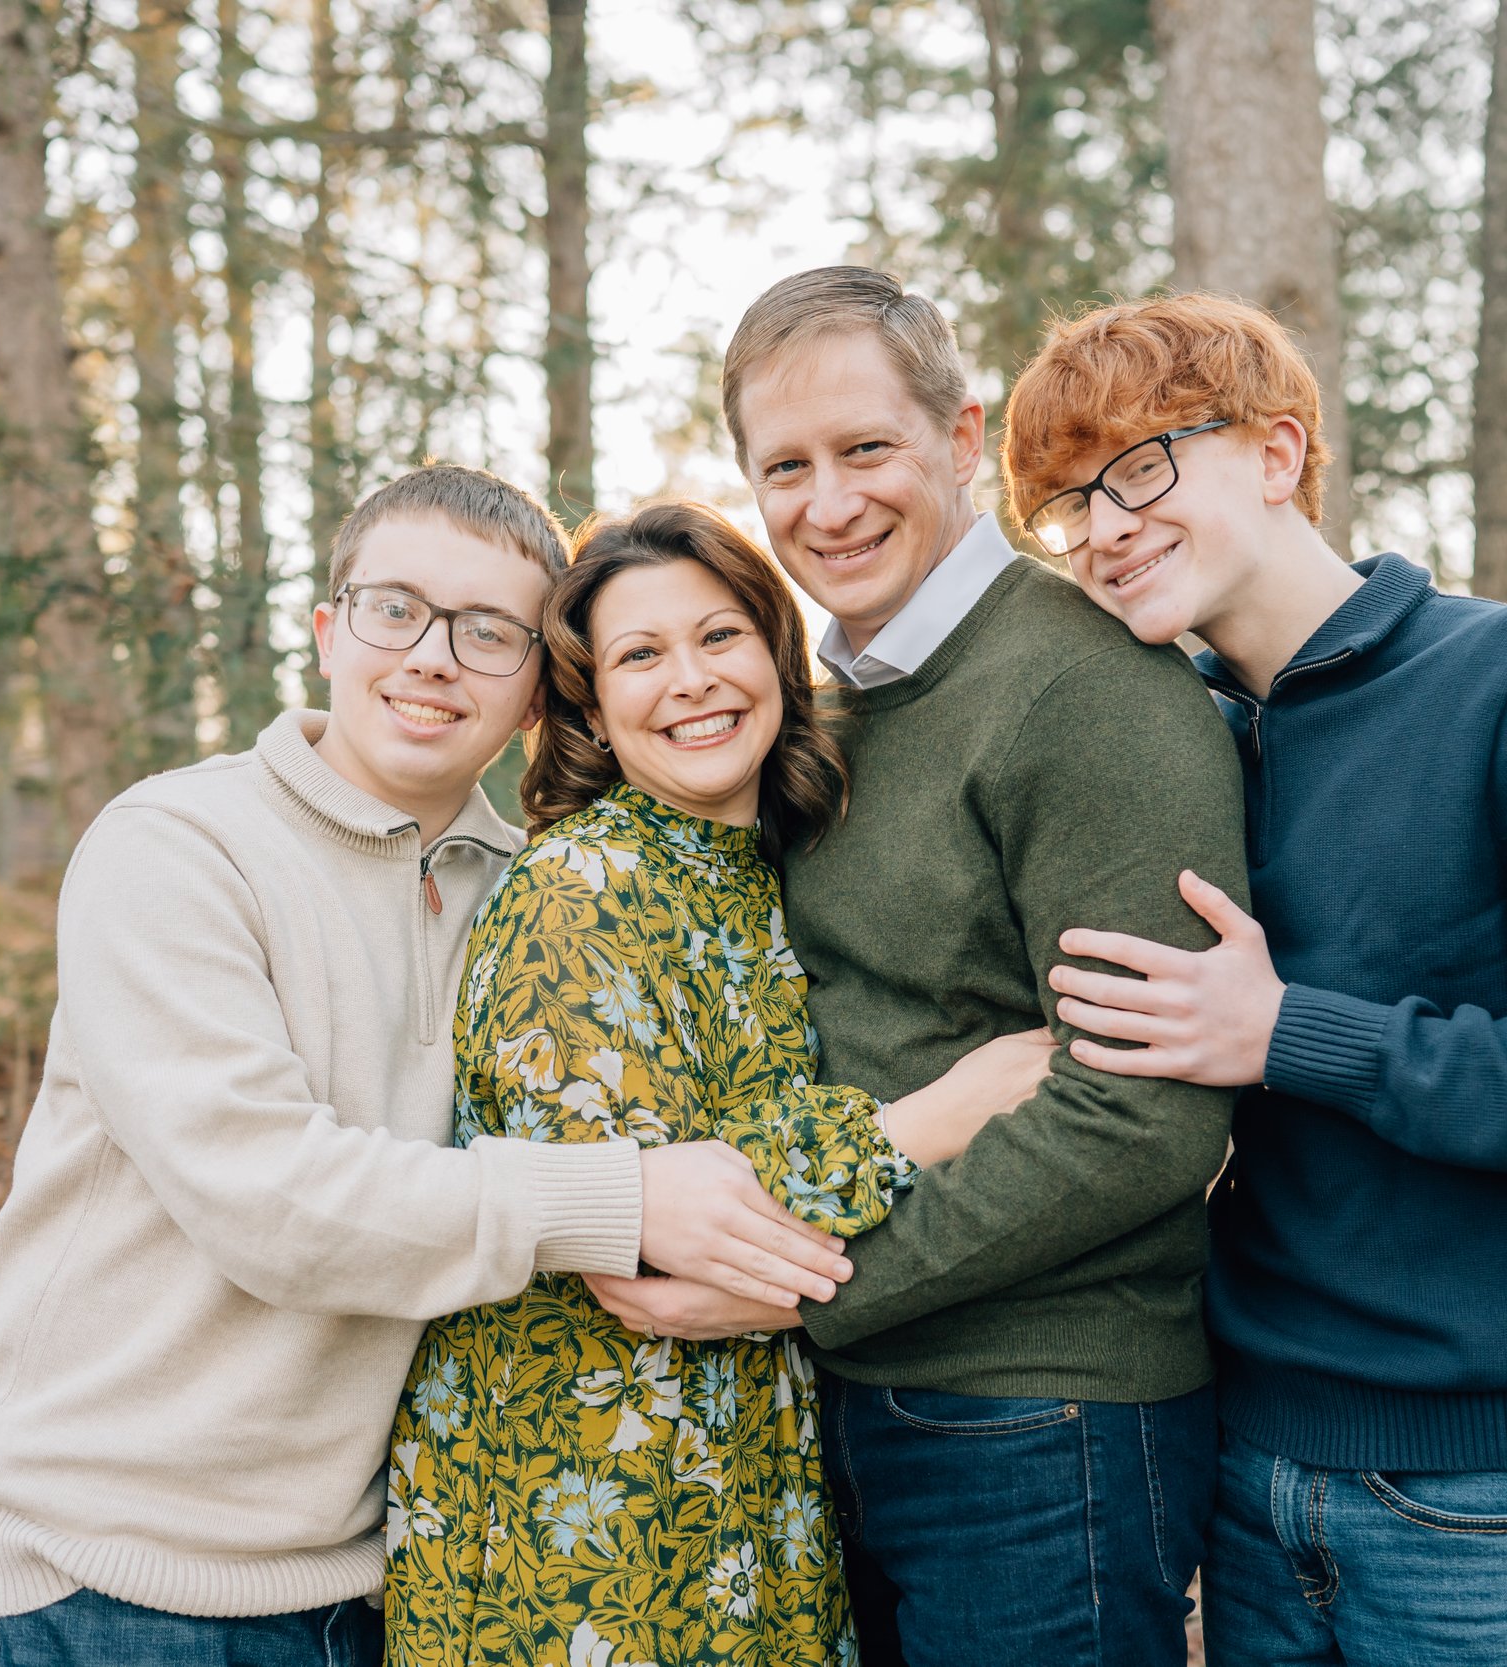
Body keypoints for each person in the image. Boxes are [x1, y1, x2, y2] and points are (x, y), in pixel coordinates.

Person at [0, 466, 859, 1667]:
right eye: (394, 609)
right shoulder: (175, 846)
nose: (431, 657)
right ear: (328, 630)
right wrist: (625, 1200)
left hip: (369, 1575)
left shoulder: (531, 888)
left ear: (535, 689)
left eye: (486, 633)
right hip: (100, 1572)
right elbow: (269, 1197)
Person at [1001, 291, 1507, 1667]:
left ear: (1278, 455)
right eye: (1066, 502)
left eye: (1140, 468)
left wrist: (1293, 1032)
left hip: (1492, 1497)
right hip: (1249, 1472)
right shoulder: (1187, 747)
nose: (1102, 527)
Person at [586, 268, 1252, 1667]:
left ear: (962, 438)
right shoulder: (826, 709)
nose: (828, 504)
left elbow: (1142, 1112)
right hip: (857, 1398)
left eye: (866, 449)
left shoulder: (1087, 691)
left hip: (1045, 1414)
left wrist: (807, 1280)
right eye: (787, 466)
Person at [384, 500, 1049, 1667]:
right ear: (590, 703)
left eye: (718, 636)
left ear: (778, 655)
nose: (689, 679)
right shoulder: (581, 889)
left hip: (750, 1476)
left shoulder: (768, 871)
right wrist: (942, 1114)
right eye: (640, 655)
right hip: (588, 1511)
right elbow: (637, 1242)